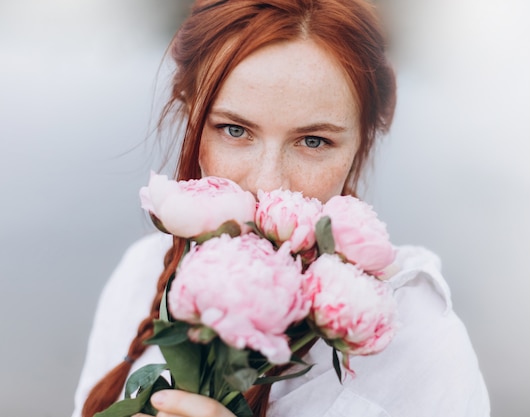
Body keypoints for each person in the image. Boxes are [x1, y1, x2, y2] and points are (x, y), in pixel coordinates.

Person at [73, 0, 491, 416]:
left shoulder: (417, 347)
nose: (267, 183)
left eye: (313, 141)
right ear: (189, 112)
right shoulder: (141, 277)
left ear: (361, 141)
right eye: (234, 130)